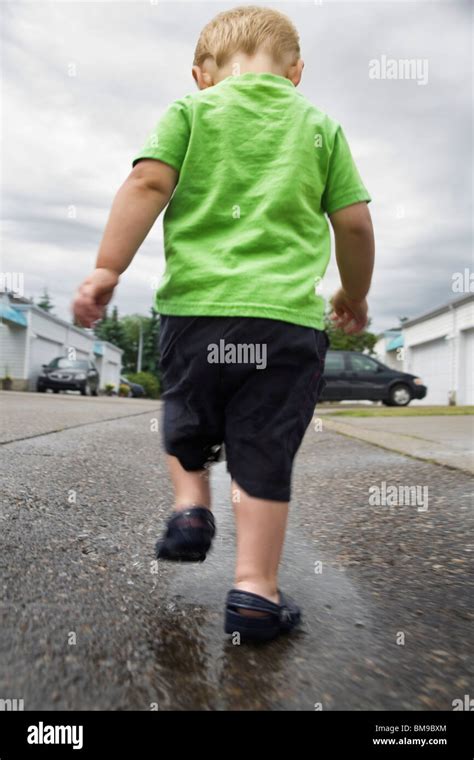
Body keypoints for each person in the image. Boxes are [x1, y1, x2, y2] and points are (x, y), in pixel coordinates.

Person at [72, 5, 375, 642]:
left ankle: (189, 509)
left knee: (188, 413)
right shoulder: (320, 126)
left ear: (201, 73)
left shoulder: (191, 111)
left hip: (195, 313)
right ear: (296, 72)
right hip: (287, 323)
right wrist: (353, 292)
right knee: (263, 447)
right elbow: (353, 223)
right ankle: (256, 594)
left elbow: (147, 183)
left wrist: (106, 270)